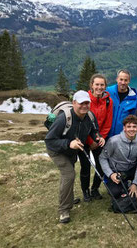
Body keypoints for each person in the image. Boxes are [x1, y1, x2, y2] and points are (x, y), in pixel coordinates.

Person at [45, 90, 105, 223]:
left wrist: (98, 137)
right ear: (74, 103)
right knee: (69, 175)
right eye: (81, 103)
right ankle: (64, 210)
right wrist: (68, 143)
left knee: (68, 176)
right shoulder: (63, 118)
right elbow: (49, 140)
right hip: (57, 150)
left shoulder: (89, 115)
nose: (84, 106)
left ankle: (68, 198)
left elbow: (94, 130)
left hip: (71, 150)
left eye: (87, 103)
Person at [77, 74, 113, 202]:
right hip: (83, 140)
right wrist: (90, 141)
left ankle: (95, 188)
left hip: (99, 139)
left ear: (105, 86)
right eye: (96, 84)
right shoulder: (85, 100)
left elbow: (108, 123)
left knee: (101, 164)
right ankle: (85, 191)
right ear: (91, 85)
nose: (99, 87)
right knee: (85, 166)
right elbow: (80, 121)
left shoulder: (108, 101)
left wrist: (98, 139)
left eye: (102, 85)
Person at [99, 115, 137, 199]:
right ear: (124, 128)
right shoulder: (113, 141)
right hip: (117, 171)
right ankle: (124, 186)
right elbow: (102, 158)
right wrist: (110, 174)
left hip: (132, 170)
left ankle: (131, 185)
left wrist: (135, 183)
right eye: (128, 126)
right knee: (115, 192)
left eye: (134, 127)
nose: (131, 129)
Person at [108, 69, 137, 137]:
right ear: (117, 79)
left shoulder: (133, 99)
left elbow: (133, 121)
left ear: (129, 81)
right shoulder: (108, 92)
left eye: (126, 80)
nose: (123, 82)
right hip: (105, 135)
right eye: (121, 79)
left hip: (121, 137)